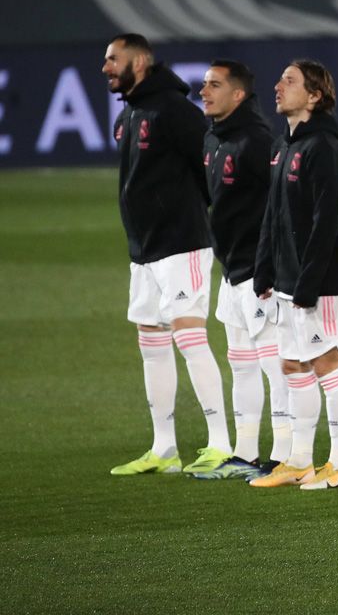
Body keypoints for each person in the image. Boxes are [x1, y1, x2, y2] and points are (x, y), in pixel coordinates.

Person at [104, 34, 234, 477]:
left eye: (113, 59)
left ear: (138, 62)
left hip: (182, 242)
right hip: (143, 250)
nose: (106, 67)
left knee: (188, 335)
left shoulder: (175, 111)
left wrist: (193, 216)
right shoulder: (131, 113)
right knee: (151, 342)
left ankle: (221, 444)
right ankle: (164, 448)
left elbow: (209, 167)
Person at [249, 61, 338, 490]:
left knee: (327, 363)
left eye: (289, 81)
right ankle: (299, 460)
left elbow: (326, 221)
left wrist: (309, 282)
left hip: (319, 283)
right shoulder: (283, 145)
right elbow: (274, 215)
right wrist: (265, 269)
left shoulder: (324, 147)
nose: (277, 87)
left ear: (314, 95)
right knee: (293, 364)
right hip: (289, 280)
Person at [195, 59, 286, 480]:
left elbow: (278, 206)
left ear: (238, 94)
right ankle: (245, 452)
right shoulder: (214, 139)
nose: (204, 91)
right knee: (242, 363)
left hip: (258, 268)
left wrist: (271, 264)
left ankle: (284, 453)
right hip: (231, 268)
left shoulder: (256, 140)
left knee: (274, 364)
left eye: (214, 85)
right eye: (203, 84)